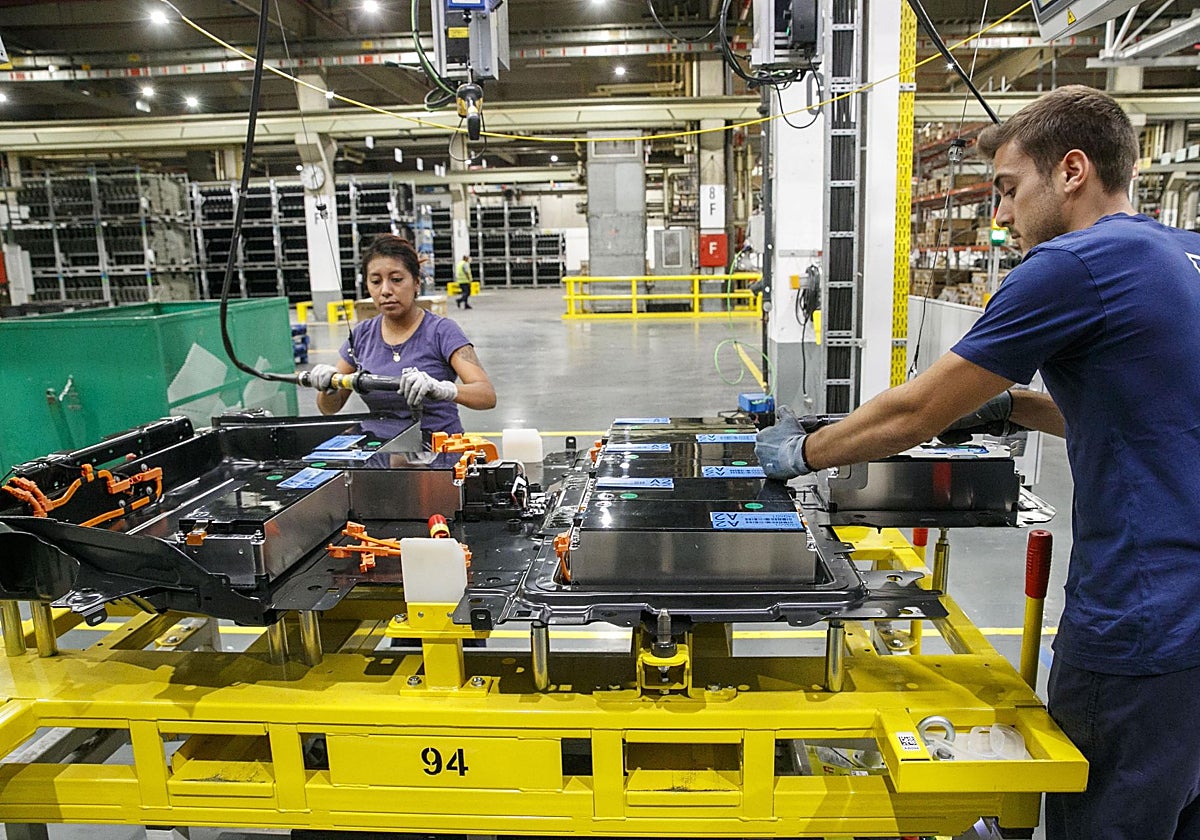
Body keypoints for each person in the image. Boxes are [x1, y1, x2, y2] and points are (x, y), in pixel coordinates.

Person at [756, 85, 1200, 840]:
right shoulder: (1173, 254)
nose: (999, 216)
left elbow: (914, 411)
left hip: (1142, 618)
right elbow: (1147, 419)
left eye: (1008, 188)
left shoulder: (1072, 264)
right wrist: (1014, 406)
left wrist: (802, 450)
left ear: (1070, 170)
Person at [309, 234, 496, 443]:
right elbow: (329, 408)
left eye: (396, 280)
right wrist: (328, 387)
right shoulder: (362, 335)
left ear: (416, 283)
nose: (386, 290)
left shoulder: (442, 331)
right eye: (376, 281)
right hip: (377, 449)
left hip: (436, 450)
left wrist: (442, 388)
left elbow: (486, 395)